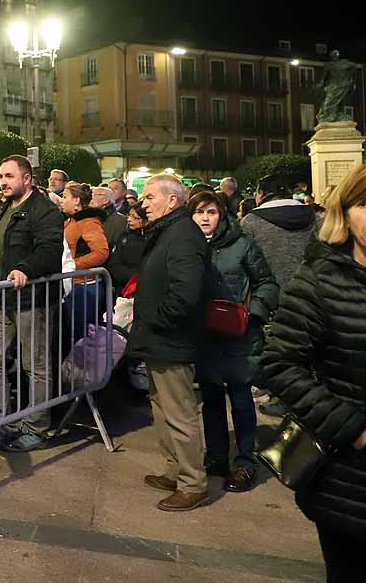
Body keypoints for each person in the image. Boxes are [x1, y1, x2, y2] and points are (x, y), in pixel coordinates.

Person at [262, 161, 366, 581]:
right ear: (344, 212)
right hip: (351, 478)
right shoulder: (319, 282)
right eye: (365, 203)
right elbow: (278, 363)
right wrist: (355, 430)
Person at [187, 190, 278, 493]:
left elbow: (266, 282)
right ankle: (216, 457)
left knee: (240, 398)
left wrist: (253, 315)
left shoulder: (243, 244)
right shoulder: (189, 246)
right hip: (206, 335)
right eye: (199, 212)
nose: (204, 218)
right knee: (211, 399)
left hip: (239, 335)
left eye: (211, 212)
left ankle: (245, 462)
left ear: (222, 214)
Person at [0, 155, 65, 453]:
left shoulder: (44, 211)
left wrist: (26, 268)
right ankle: (4, 421)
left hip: (31, 300)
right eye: (1, 176)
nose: (2, 181)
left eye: (9, 176)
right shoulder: (4, 208)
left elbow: (50, 250)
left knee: (34, 364)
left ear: (27, 178)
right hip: (1, 298)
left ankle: (37, 426)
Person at [130, 174, 210, 512]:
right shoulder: (168, 231)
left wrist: (156, 320)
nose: (142, 204)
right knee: (162, 408)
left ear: (172, 201)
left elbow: (186, 292)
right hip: (158, 339)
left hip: (171, 339)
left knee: (180, 413)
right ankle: (175, 470)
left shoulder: (182, 235)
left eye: (149, 198)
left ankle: (193, 483)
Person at [60, 182, 110, 337]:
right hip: (74, 285)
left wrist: (73, 266)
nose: (62, 200)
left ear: (76, 200)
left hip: (84, 287)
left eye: (65, 196)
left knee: (79, 335)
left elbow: (101, 252)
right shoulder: (71, 221)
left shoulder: (88, 222)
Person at [106, 204, 148, 293]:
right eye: (129, 215)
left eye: (135, 218)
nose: (129, 220)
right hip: (123, 288)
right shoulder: (124, 237)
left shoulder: (152, 239)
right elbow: (113, 264)